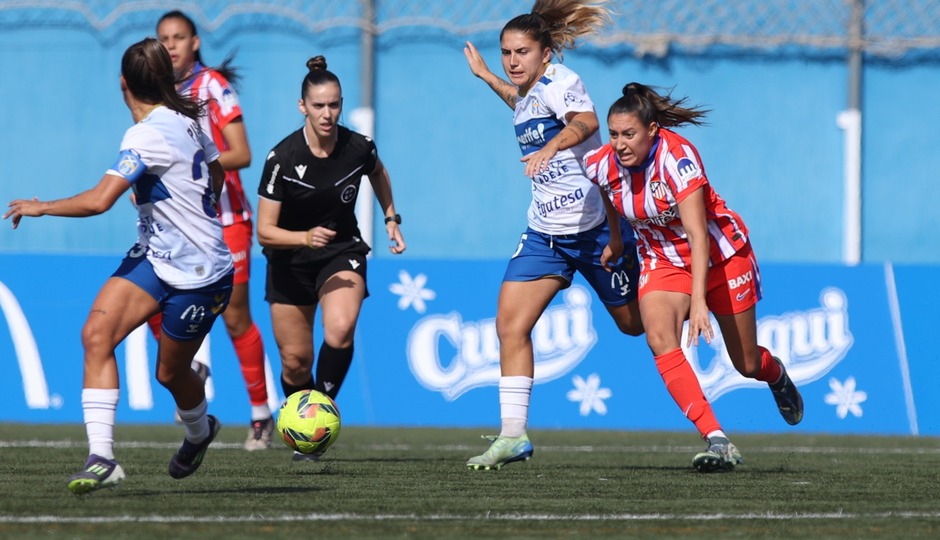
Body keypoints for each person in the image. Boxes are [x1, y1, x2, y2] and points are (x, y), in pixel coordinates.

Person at [4, 38, 233, 493]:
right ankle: (102, 458)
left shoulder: (148, 133)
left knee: (169, 373)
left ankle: (199, 430)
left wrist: (41, 206)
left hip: (200, 273)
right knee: (96, 335)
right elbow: (218, 170)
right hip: (155, 255)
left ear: (123, 83)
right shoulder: (186, 119)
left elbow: (99, 201)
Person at [583, 82, 805, 472]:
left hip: (721, 257)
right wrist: (617, 240)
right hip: (663, 262)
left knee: (747, 364)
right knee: (658, 335)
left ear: (652, 130)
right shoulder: (603, 163)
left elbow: (699, 234)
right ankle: (716, 439)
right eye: (614, 134)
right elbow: (607, 190)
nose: (619, 144)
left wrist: (699, 301)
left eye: (628, 134)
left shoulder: (678, 158)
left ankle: (776, 374)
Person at [462, 0, 644, 471]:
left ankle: (682, 288)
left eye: (521, 51)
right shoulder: (528, 92)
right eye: (505, 52)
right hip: (545, 235)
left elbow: (586, 122)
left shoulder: (562, 81)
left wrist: (552, 145)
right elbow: (521, 102)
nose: (512, 60)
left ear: (545, 53)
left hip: (595, 229)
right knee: (509, 324)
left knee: (635, 325)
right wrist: (486, 77)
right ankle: (512, 435)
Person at [256, 55, 406, 460]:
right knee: (295, 362)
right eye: (319, 105)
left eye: (335, 104)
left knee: (340, 328)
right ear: (302, 106)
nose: (328, 114)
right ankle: (301, 420)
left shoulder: (357, 146)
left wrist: (390, 216)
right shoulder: (281, 158)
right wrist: (303, 236)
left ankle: (321, 410)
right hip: (289, 260)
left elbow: (378, 172)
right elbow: (264, 231)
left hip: (341, 251)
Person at [155, 10, 275, 451]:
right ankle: (193, 371)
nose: (171, 46)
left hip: (226, 222)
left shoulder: (213, 87)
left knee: (236, 316)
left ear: (195, 42)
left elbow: (242, 153)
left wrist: (191, 168)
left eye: (179, 37)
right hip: (179, 224)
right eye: (163, 38)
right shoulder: (161, 95)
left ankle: (261, 414)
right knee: (151, 305)